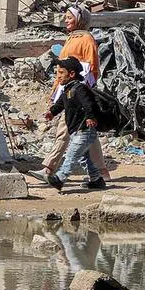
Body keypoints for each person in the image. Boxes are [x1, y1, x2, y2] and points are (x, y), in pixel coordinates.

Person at [41, 6, 110, 181]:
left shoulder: (86, 39)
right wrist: (57, 91)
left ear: (79, 20)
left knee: (64, 130)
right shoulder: (72, 38)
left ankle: (49, 168)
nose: (66, 20)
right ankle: (101, 172)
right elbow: (62, 70)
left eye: (69, 17)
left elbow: (92, 67)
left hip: (77, 94)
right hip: (67, 91)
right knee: (86, 134)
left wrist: (81, 91)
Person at [43, 56, 106, 192]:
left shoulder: (79, 89)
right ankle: (97, 179)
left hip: (84, 129)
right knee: (84, 158)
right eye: (57, 73)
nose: (58, 76)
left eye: (61, 73)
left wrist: (90, 117)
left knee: (71, 155)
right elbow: (60, 104)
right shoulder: (67, 90)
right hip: (76, 131)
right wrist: (52, 113)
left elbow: (88, 104)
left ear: (71, 74)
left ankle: (59, 179)